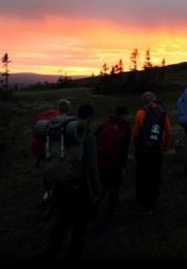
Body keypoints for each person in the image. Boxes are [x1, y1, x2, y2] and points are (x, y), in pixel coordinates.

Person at [40, 101, 101, 261]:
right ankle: (74, 254)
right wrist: (97, 190)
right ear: (90, 118)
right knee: (80, 224)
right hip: (78, 185)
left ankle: (51, 250)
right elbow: (93, 168)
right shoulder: (87, 136)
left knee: (62, 219)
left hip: (61, 182)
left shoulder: (64, 132)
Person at [130, 91, 171, 213]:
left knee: (142, 176)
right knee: (154, 176)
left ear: (143, 101)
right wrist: (164, 147)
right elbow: (168, 132)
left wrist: (136, 148)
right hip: (156, 150)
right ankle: (152, 203)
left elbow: (136, 134)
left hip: (143, 151)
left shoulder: (140, 114)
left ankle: (140, 201)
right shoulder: (162, 114)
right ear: (155, 100)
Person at [94, 105, 131, 220]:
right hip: (116, 164)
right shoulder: (125, 127)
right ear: (124, 114)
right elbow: (124, 149)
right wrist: (123, 166)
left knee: (103, 187)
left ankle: (94, 208)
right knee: (115, 189)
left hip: (102, 163)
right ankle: (112, 213)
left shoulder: (103, 125)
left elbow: (95, 142)